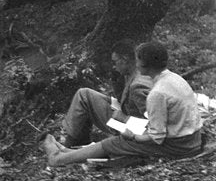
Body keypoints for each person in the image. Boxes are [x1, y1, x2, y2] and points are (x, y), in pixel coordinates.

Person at [43, 42, 203, 167]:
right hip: (191, 140)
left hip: (180, 147)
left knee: (114, 143)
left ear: (144, 64)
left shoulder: (157, 93)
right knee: (117, 140)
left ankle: (58, 159)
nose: (136, 62)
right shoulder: (175, 78)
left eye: (138, 59)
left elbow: (157, 137)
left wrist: (133, 136)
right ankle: (66, 151)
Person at [59, 39, 151, 146]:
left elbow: (152, 124)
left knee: (84, 97)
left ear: (125, 60)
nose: (113, 66)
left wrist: (123, 118)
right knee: (85, 94)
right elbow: (126, 101)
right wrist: (115, 82)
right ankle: (78, 139)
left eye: (115, 62)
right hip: (125, 116)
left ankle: (71, 142)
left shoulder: (139, 85)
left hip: (132, 129)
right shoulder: (131, 73)